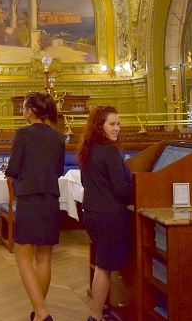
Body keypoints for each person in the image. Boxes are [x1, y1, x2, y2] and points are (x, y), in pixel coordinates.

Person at [4, 91, 65, 321]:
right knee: (44, 258)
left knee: (22, 255)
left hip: (29, 198)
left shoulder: (23, 133)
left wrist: (12, 173)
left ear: (29, 111)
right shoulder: (58, 137)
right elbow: (58, 170)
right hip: (50, 198)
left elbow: (13, 168)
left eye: (23, 107)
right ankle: (39, 313)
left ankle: (41, 312)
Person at [76, 105, 133, 321]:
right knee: (104, 267)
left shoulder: (88, 149)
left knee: (103, 263)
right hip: (110, 216)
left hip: (91, 213)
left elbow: (85, 182)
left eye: (118, 124)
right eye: (112, 124)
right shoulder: (110, 151)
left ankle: (107, 308)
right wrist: (143, 190)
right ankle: (96, 315)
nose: (117, 128)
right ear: (100, 126)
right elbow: (121, 190)